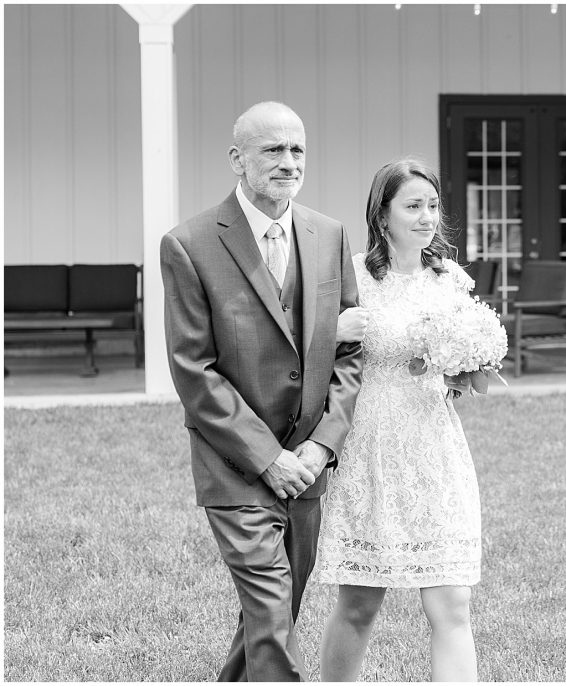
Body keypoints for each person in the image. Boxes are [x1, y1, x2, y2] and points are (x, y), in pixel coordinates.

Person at [159, 101, 366, 681]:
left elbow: (351, 353)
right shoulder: (190, 244)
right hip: (236, 465)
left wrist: (321, 447)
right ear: (238, 159)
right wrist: (267, 458)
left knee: (272, 616)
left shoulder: (329, 235)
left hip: (307, 466)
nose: (288, 162)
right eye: (272, 149)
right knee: (273, 618)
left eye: (297, 149)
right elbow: (193, 370)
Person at [315, 159, 481, 681]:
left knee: (452, 603)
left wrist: (467, 363)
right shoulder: (354, 277)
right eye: (413, 206)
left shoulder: (450, 278)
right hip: (372, 445)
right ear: (382, 215)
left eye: (432, 205)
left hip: (434, 445)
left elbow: (463, 361)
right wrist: (332, 330)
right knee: (361, 602)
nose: (427, 216)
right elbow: (304, 358)